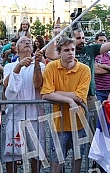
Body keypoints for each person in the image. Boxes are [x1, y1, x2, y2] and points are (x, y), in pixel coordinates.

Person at [40, 37, 91, 173]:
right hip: (59, 123)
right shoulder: (51, 67)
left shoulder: (84, 69)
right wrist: (69, 100)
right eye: (66, 50)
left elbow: (80, 96)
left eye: (73, 50)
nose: (71, 53)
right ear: (59, 52)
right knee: (56, 159)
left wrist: (56, 93)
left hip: (79, 122)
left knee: (77, 157)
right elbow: (45, 94)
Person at [2, 37, 45, 173]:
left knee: (36, 154)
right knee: (12, 154)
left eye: (30, 42)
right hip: (15, 117)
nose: (27, 43)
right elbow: (7, 85)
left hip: (35, 117)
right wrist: (18, 66)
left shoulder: (41, 65)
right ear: (16, 48)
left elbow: (38, 85)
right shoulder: (9, 66)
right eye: (23, 41)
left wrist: (37, 63)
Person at [93, 33, 110, 102]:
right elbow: (97, 71)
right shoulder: (93, 56)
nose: (103, 43)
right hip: (98, 90)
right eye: (100, 40)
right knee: (101, 111)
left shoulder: (108, 56)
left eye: (104, 41)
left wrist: (104, 66)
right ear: (96, 41)